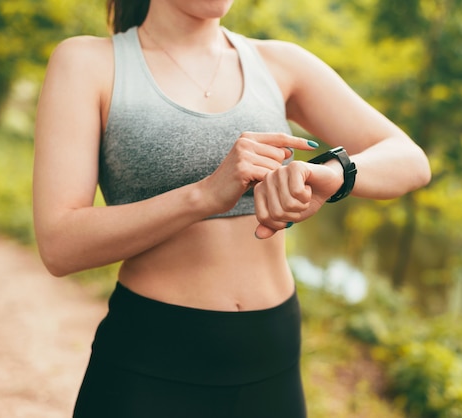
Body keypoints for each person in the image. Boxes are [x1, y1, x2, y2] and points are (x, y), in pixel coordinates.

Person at [32, 0, 431, 417]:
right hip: (151, 357)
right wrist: (204, 195)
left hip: (272, 359)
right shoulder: (87, 62)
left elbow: (410, 160)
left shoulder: (281, 62)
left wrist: (334, 174)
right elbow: (60, 245)